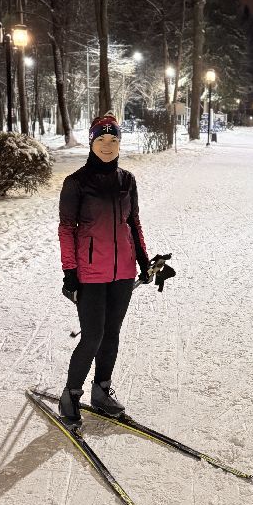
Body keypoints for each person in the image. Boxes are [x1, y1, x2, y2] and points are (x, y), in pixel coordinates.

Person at [57, 113, 150, 428]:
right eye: (101, 139)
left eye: (113, 140)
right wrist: (70, 273)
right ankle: (70, 395)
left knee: (111, 335)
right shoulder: (76, 183)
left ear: (119, 143)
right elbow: (67, 229)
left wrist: (144, 262)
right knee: (92, 336)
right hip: (91, 275)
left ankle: (101, 390)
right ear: (92, 141)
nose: (107, 146)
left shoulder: (128, 180)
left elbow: (133, 224)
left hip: (122, 272)